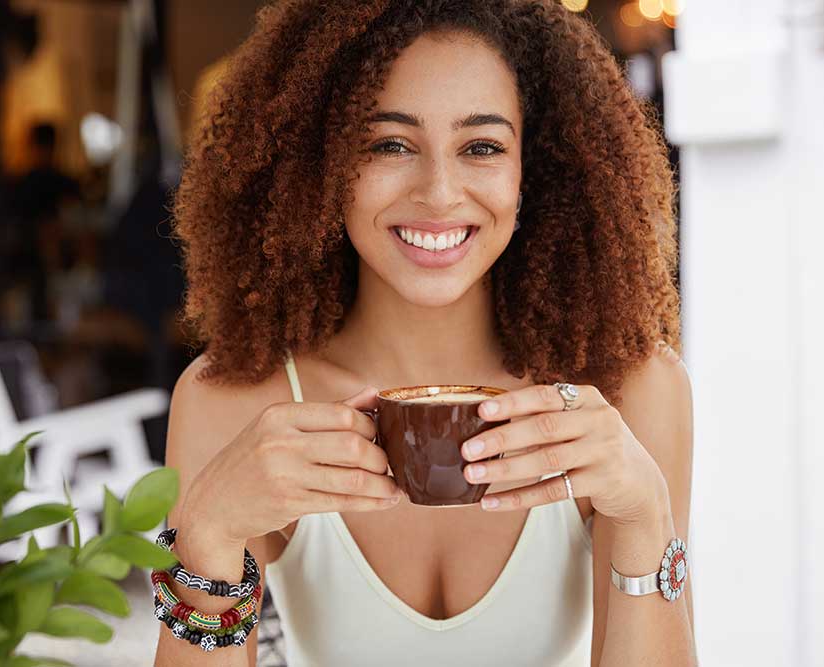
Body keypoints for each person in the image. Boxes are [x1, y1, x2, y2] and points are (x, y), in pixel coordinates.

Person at [156, 1, 697, 665]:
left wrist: (645, 512)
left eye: (482, 147)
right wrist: (206, 534)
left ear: (539, 166)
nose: (439, 193)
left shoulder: (632, 394)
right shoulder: (237, 404)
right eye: (389, 144)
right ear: (319, 163)